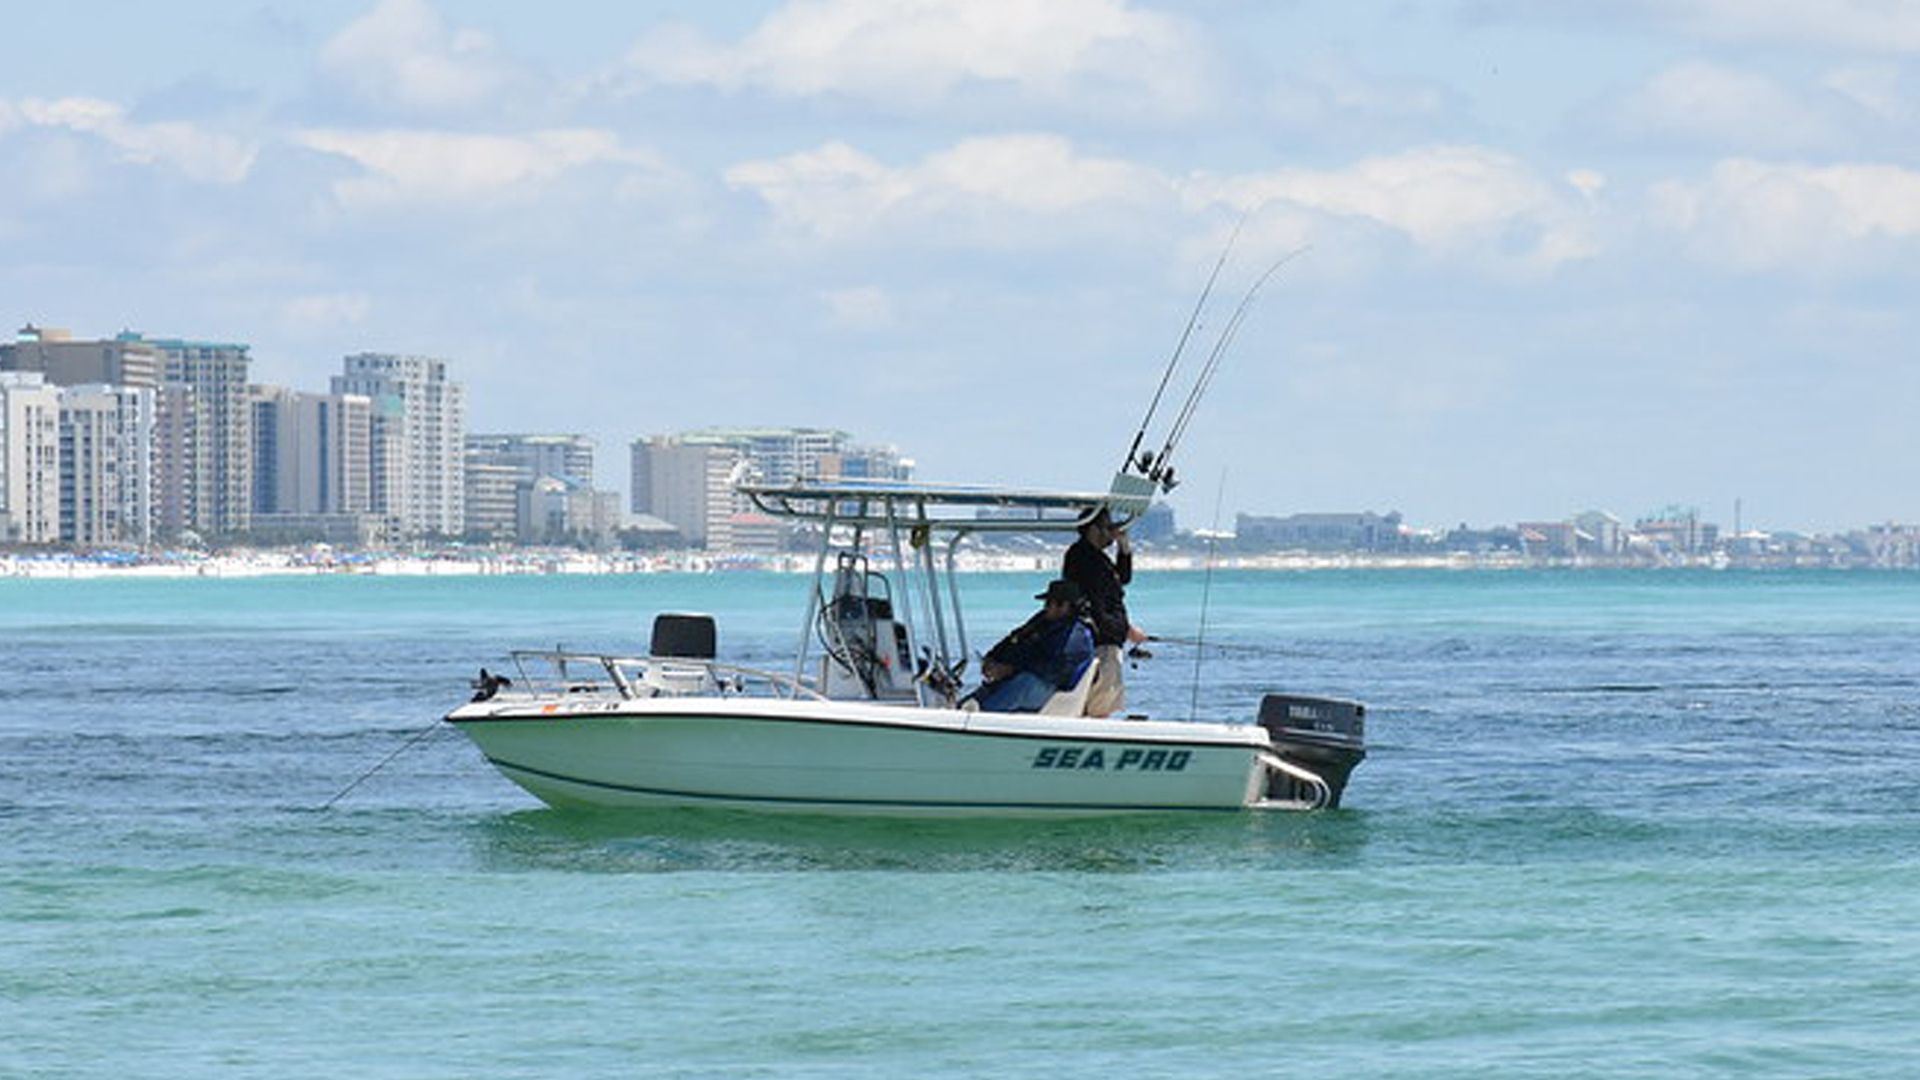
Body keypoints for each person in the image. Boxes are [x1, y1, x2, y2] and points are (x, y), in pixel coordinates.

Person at [1062, 506, 1147, 717]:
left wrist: (1123, 546)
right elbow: (1097, 601)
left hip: (1105, 638)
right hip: (1102, 641)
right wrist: (1125, 629)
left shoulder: (1094, 556)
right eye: (1108, 527)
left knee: (1096, 702)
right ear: (1093, 529)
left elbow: (1122, 578)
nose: (1112, 532)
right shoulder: (1084, 558)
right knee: (1100, 706)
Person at [965, 580, 1096, 713]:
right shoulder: (1044, 621)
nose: (1045, 608)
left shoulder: (1076, 634)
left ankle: (985, 713)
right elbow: (1016, 638)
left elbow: (1055, 668)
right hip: (1018, 677)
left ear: (1064, 606)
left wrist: (1011, 669)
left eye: (1048, 604)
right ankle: (964, 711)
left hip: (1048, 687)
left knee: (1024, 682)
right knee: (977, 698)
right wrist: (993, 657)